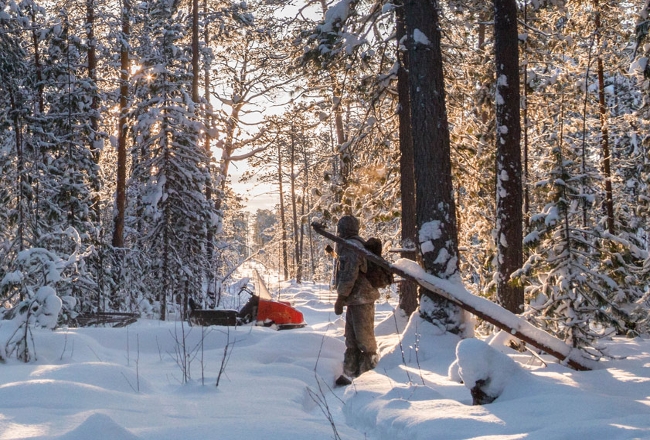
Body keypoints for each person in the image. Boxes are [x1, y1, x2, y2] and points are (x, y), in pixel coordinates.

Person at [333, 215, 380, 385]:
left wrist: (341, 297)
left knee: (365, 338)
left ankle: (368, 377)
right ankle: (350, 372)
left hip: (362, 298)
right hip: (355, 299)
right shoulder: (351, 245)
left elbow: (348, 274)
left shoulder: (352, 247)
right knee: (351, 338)